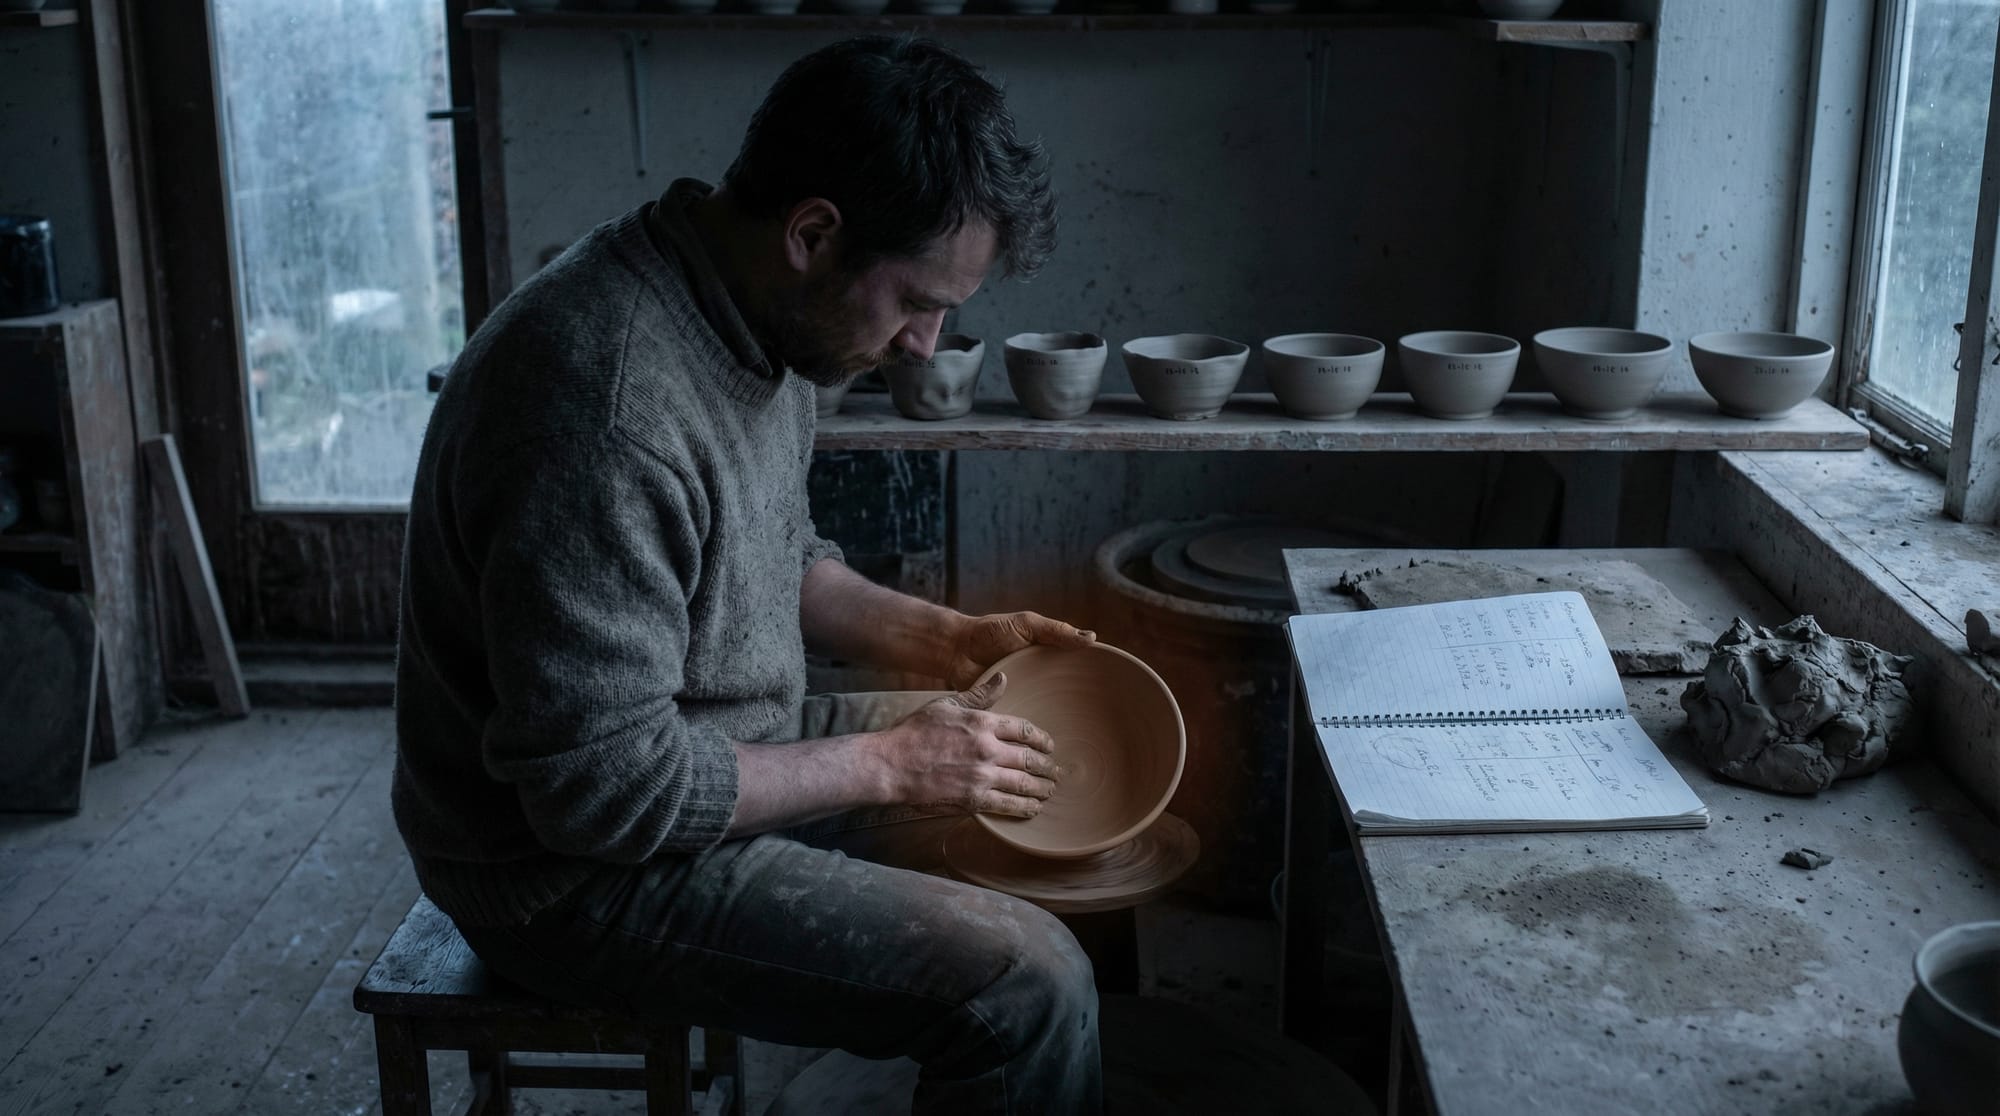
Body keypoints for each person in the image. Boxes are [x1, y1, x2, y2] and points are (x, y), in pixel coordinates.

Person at [392, 35, 1103, 1115]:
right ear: (813, 232)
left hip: (710, 757)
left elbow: (776, 557)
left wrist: (946, 641)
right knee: (1028, 983)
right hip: (565, 873)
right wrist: (890, 764)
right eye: (918, 300)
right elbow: (602, 794)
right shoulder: (605, 409)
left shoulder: (759, 317)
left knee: (1063, 766)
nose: (926, 343)